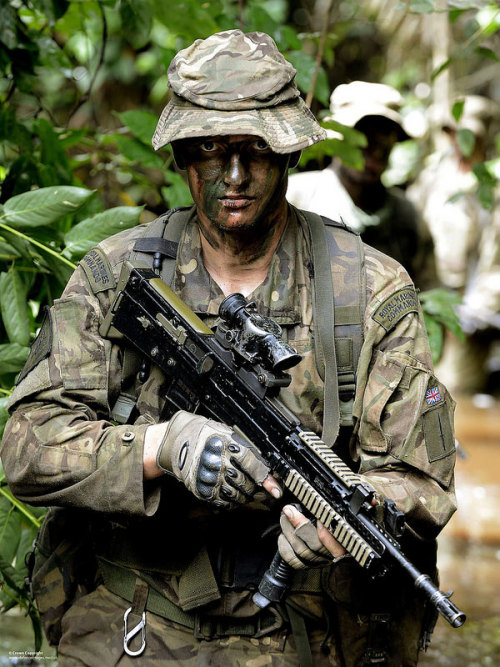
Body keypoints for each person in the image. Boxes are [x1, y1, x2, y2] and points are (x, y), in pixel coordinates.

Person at [1, 30, 457, 666]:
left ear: (292, 153)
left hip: (303, 634)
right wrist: (161, 449)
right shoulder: (116, 275)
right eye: (212, 150)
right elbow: (25, 447)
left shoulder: (368, 291)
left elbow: (421, 483)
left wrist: (332, 530)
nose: (235, 176)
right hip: (133, 628)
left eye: (257, 151)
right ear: (183, 155)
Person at [287, 81, 438, 291]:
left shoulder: (405, 215)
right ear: (338, 137)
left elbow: (428, 290)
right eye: (363, 135)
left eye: (384, 137)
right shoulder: (295, 199)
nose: (374, 150)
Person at [408, 95, 500, 396]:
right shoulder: (431, 179)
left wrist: (473, 313)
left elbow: (494, 261)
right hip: (427, 302)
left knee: (456, 394)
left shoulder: (492, 190)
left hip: (471, 317)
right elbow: (412, 232)